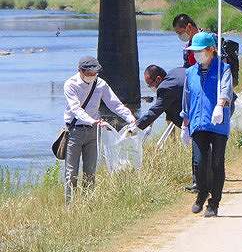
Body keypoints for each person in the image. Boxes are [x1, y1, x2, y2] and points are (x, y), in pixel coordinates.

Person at [63, 56, 136, 203]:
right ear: (80, 71)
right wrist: (92, 120)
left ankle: (88, 203)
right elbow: (75, 109)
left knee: (90, 171)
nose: (92, 76)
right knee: (71, 173)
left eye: (95, 73)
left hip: (92, 132)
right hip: (74, 132)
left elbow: (115, 104)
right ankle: (70, 207)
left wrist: (130, 118)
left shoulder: (100, 84)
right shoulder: (70, 85)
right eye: (89, 73)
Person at [181, 32, 233, 217]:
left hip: (218, 122)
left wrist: (220, 105)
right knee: (200, 162)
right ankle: (202, 192)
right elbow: (186, 98)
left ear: (211, 50)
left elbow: (226, 89)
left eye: (200, 51)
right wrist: (185, 123)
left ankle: (214, 202)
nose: (196, 54)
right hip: (197, 123)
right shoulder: (190, 72)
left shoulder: (223, 69)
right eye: (194, 51)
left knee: (217, 163)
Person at [135, 65, 185, 131]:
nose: (150, 87)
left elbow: (155, 111)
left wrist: (136, 127)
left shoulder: (165, 88)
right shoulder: (176, 71)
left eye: (150, 85)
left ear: (158, 79)